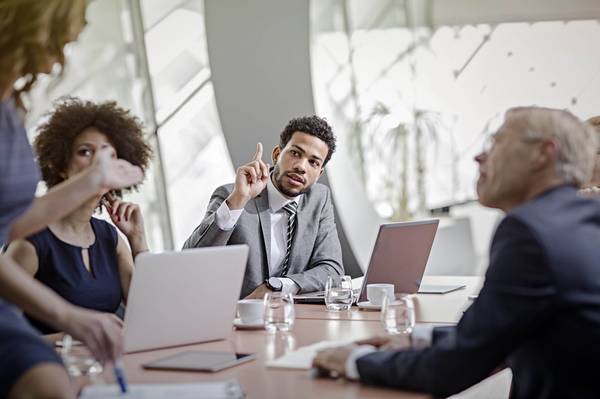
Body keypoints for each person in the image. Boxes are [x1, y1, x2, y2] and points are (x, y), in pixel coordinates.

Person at [313, 106, 600, 399]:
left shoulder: (530, 232)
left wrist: (352, 361)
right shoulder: (584, 220)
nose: (479, 156)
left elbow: (453, 368)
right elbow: (496, 333)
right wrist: (417, 338)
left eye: (497, 142)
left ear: (543, 153)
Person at [0, 1, 143, 397]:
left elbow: (11, 219)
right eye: (61, 38)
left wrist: (96, 182)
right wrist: (70, 320)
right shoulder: (36, 246)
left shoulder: (12, 105)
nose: (63, 53)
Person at [6, 97, 152, 334]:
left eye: (109, 155)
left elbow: (151, 318)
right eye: (85, 152)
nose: (99, 163)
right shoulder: (31, 242)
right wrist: (74, 336)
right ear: (60, 166)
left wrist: (138, 242)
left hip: (107, 364)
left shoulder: (110, 238)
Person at [183, 116, 344, 298]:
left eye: (313, 162)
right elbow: (191, 262)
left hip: (292, 319)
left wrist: (277, 286)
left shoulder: (319, 198)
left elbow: (332, 269)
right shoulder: (231, 194)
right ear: (277, 154)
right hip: (234, 318)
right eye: (295, 153)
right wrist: (239, 200)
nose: (301, 166)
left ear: (319, 174)